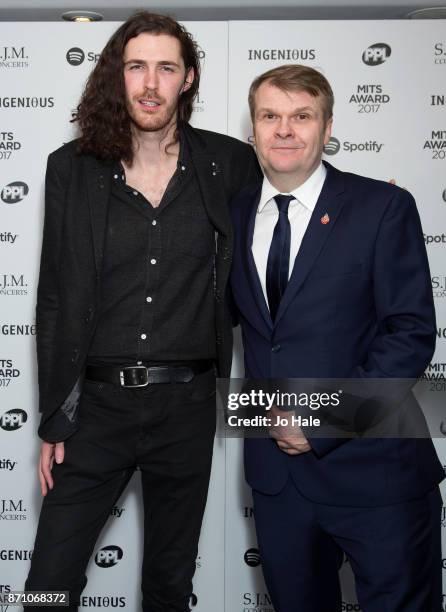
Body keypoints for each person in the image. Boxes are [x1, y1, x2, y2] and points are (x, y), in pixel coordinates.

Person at [25, 12, 259, 612]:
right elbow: (54, 294)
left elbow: (285, 224)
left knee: (168, 585)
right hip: (95, 411)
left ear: (188, 79)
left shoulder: (229, 164)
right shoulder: (71, 167)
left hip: (186, 407)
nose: (150, 83)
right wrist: (55, 415)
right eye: (136, 67)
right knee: (49, 586)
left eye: (166, 67)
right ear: (117, 75)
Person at [228, 64, 445, 612]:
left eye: (302, 116)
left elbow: (410, 334)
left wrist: (324, 421)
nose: (284, 129)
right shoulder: (227, 217)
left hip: (377, 473)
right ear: (252, 129)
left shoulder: (382, 208)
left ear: (327, 130)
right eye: (270, 116)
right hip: (278, 482)